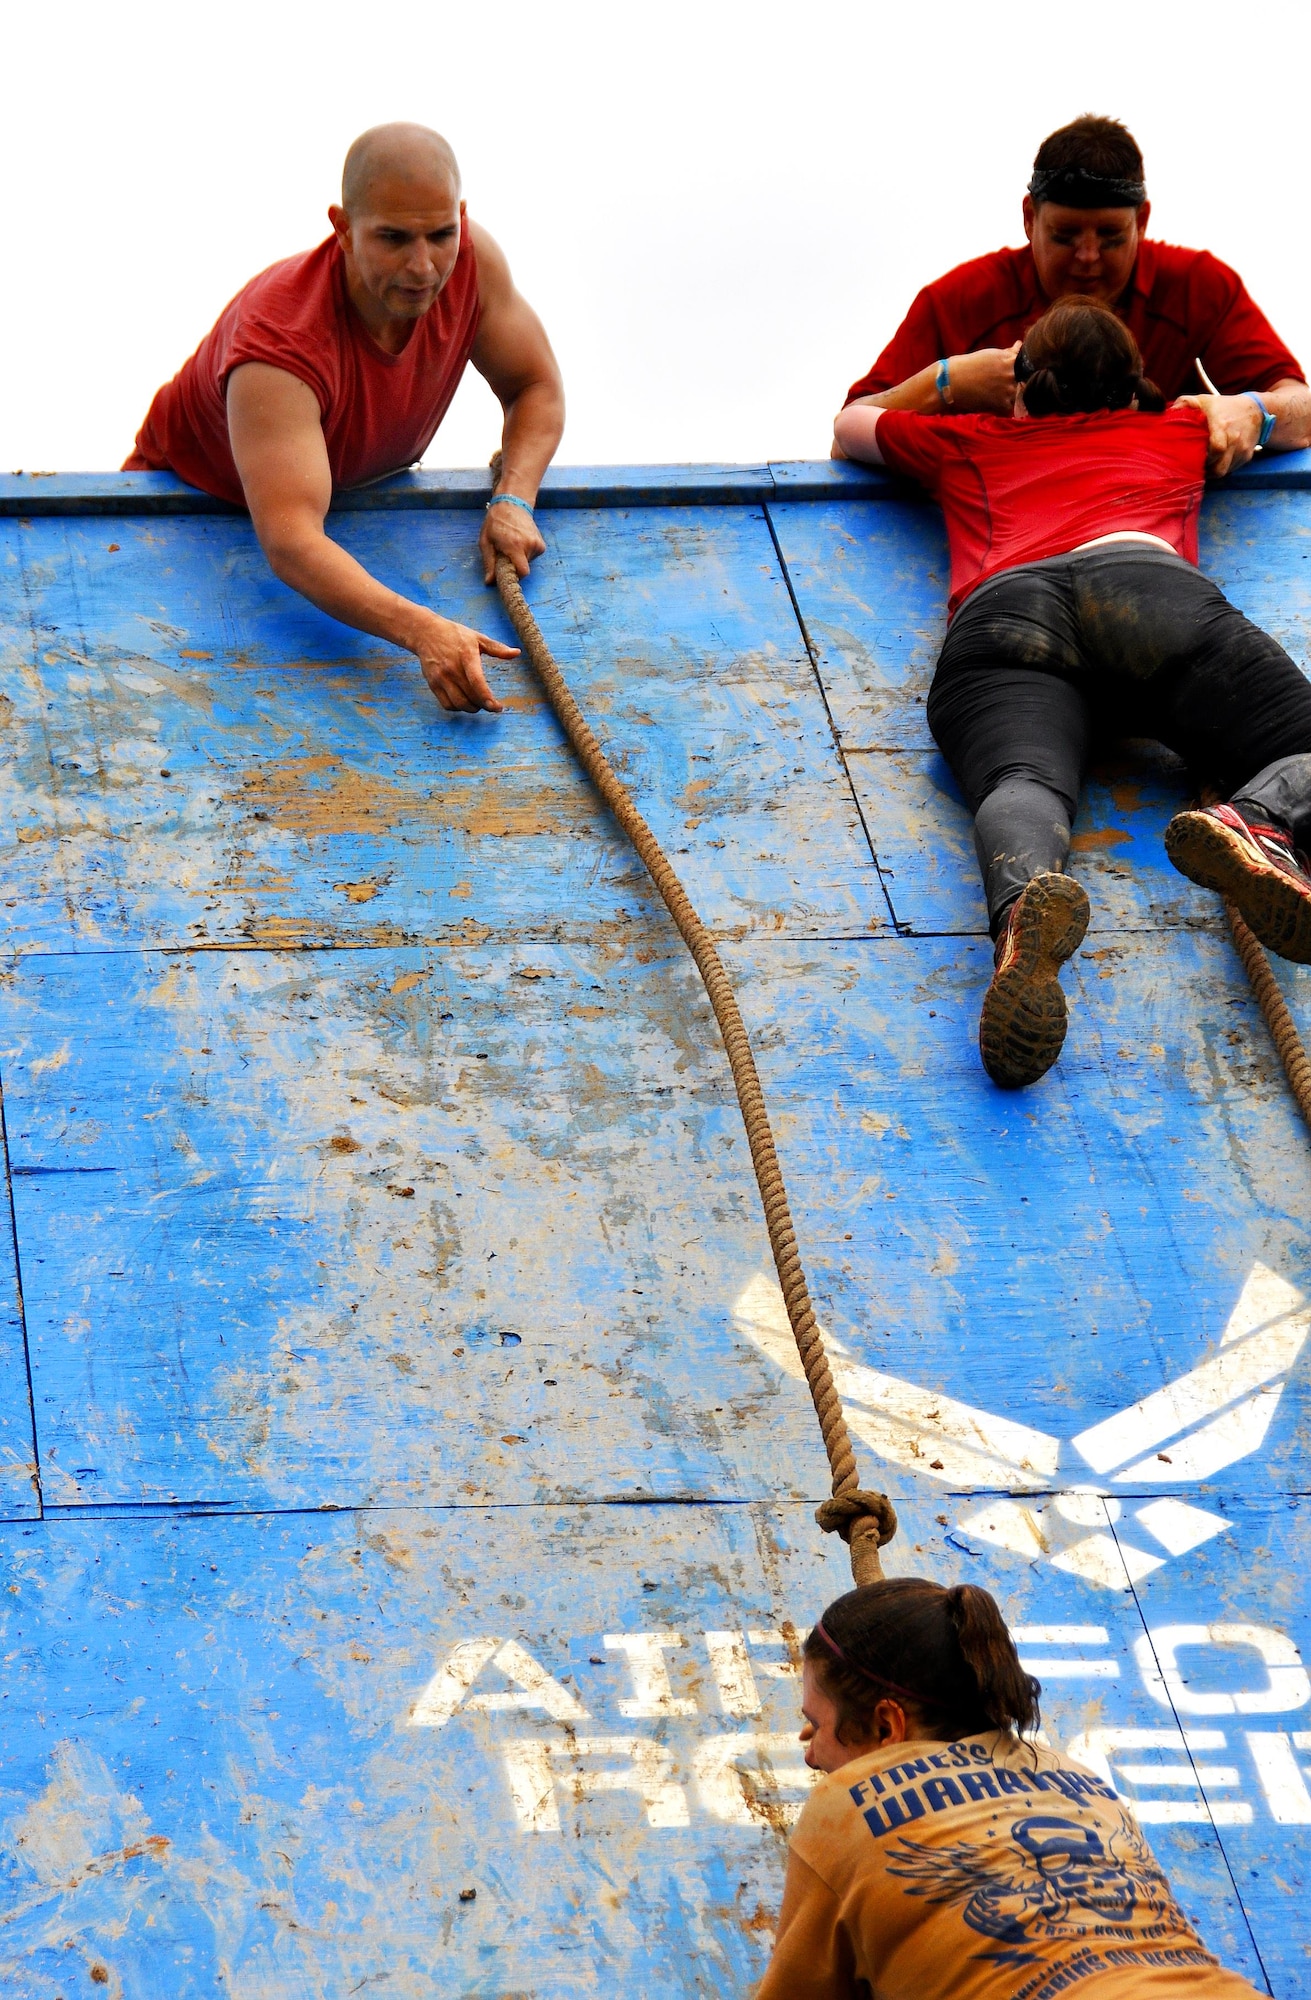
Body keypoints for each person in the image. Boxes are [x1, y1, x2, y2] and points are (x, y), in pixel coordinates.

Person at [832, 296, 1311, 1090]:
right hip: (1142, 584)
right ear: (1131, 391)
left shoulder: (966, 435)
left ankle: (1022, 909)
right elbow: (1298, 419)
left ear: (1018, 389)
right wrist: (1234, 410)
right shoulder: (1174, 429)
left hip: (1002, 611)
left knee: (1021, 780)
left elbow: (852, 423)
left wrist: (954, 379)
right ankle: (1255, 822)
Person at [126, 123, 564, 715]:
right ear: (343, 229)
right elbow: (291, 543)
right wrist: (424, 632)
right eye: (393, 238)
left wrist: (513, 499)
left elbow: (535, 386)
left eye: (441, 234)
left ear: (460, 216)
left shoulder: (474, 264)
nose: (423, 266)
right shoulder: (278, 342)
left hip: (344, 503)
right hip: (184, 517)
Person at [757, 1577, 1264, 1999]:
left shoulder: (848, 1800)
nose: (810, 1752)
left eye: (816, 1724)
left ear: (887, 1724)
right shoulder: (1081, 1781)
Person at [838, 114, 1311, 477]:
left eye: (1110, 236)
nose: (1088, 257)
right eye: (1065, 236)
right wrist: (948, 382)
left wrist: (1255, 411)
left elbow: (1302, 406)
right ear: (1029, 218)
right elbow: (844, 439)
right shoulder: (957, 301)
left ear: (1142, 222)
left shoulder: (1201, 286)